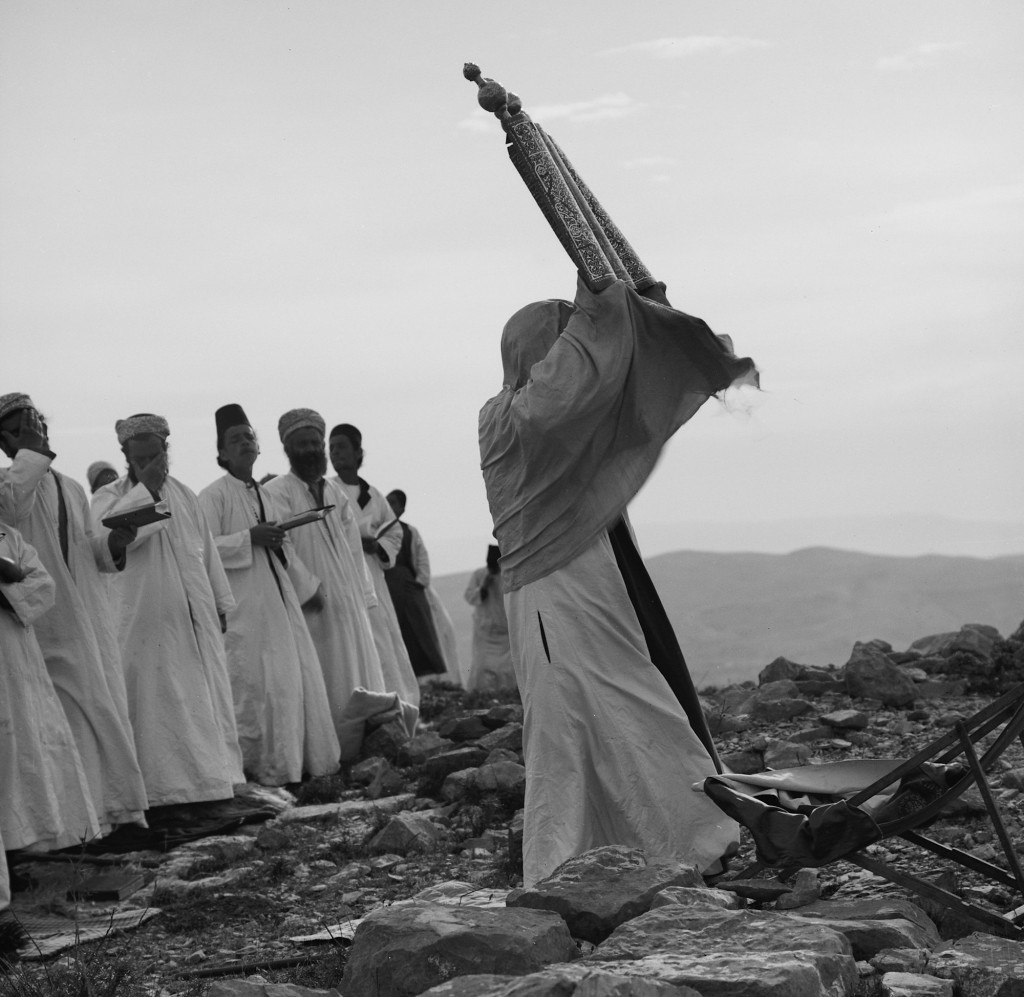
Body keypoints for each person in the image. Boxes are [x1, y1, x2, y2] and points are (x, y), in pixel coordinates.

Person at [478, 276, 757, 886]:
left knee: (631, 702)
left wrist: (639, 321)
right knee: (572, 724)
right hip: (556, 594)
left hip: (595, 581)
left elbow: (614, 397)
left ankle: (678, 842)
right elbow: (568, 387)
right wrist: (605, 310)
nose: (563, 357)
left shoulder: (565, 423)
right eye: (554, 345)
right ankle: (565, 861)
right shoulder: (507, 417)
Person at [0, 394, 148, 832]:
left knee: (95, 711)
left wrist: (117, 542)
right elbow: (11, 512)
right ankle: (71, 825)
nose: (28, 432)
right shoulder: (9, 484)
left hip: (81, 617)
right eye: (14, 429)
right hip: (37, 622)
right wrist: (30, 453)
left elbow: (89, 551)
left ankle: (109, 813)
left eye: (31, 423)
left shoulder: (72, 487)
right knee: (54, 722)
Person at [92, 413, 244, 805]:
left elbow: (206, 554)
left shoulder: (185, 495)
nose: (151, 465)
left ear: (166, 450)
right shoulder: (109, 497)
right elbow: (104, 542)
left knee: (203, 698)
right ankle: (161, 795)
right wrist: (146, 490)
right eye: (141, 459)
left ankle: (213, 783)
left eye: (156, 456)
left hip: (194, 619)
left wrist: (219, 604)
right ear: (126, 456)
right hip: (142, 622)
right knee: (155, 705)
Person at [199, 405, 340, 786]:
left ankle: (294, 766)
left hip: (279, 604)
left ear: (259, 448)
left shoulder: (268, 495)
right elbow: (201, 549)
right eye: (235, 439)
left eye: (249, 437)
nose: (244, 443)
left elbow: (286, 547)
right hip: (245, 610)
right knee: (253, 686)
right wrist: (249, 538)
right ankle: (259, 771)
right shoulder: (212, 497)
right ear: (222, 452)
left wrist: (308, 587)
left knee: (288, 681)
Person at [264, 409, 411, 748]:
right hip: (311, 602)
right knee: (322, 675)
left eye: (316, 442)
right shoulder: (277, 492)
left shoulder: (336, 493)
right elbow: (281, 544)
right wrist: (307, 588)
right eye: (302, 444)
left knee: (358, 669)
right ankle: (327, 749)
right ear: (287, 449)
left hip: (348, 601)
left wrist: (363, 595)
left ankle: (360, 745)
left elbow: (354, 552)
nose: (311, 450)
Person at [0, 522, 99, 858]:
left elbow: (44, 584)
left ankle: (23, 843)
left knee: (22, 744)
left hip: (15, 657)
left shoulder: (9, 537)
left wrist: (6, 586)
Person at [329, 424, 422, 702]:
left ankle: (395, 697)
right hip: (344, 573)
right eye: (331, 448)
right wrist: (354, 542)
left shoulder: (374, 495)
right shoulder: (328, 490)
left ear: (358, 452)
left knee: (382, 635)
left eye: (342, 446)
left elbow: (393, 532)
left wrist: (378, 547)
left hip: (372, 574)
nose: (336, 453)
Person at [383, 488, 453, 682]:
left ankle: (424, 677)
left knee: (417, 630)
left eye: (394, 503)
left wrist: (420, 582)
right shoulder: (376, 530)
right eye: (386, 501)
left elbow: (422, 559)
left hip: (408, 587)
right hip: (385, 586)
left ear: (402, 508)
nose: (389, 506)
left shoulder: (410, 531)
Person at [463, 544, 514, 692]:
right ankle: (482, 696)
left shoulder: (508, 574)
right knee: (482, 665)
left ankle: (508, 694)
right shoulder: (479, 575)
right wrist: (483, 587)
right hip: (485, 631)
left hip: (505, 631)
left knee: (507, 668)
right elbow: (469, 597)